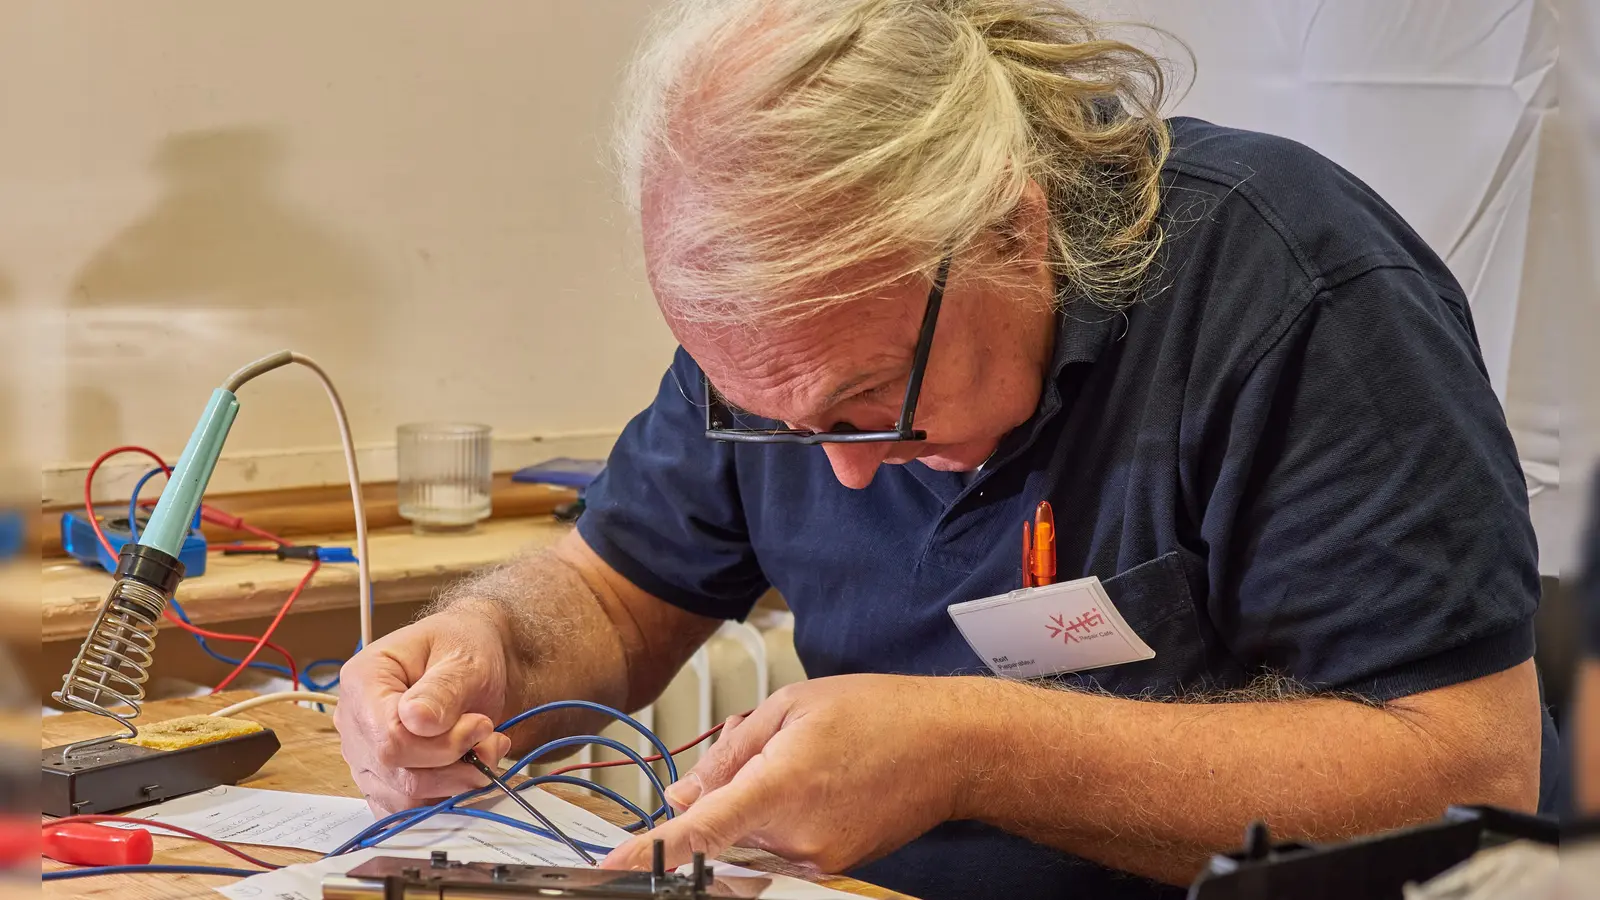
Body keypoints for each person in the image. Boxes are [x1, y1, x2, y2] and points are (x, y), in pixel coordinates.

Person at [334, 2, 1552, 897]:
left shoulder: (1294, 289)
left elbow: (1465, 771)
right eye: (773, 418)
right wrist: (488, 645)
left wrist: (968, 750)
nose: (842, 470)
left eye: (869, 399)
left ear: (1012, 230)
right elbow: (612, 589)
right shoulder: (787, 355)